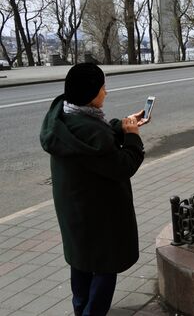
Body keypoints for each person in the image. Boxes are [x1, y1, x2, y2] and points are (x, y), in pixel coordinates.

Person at [40, 62, 147, 316]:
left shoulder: (64, 118)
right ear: (90, 94)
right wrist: (132, 138)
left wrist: (122, 126)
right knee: (104, 267)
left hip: (75, 211)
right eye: (102, 88)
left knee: (80, 261)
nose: (106, 92)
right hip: (99, 214)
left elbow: (93, 146)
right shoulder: (91, 132)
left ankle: (80, 309)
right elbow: (122, 165)